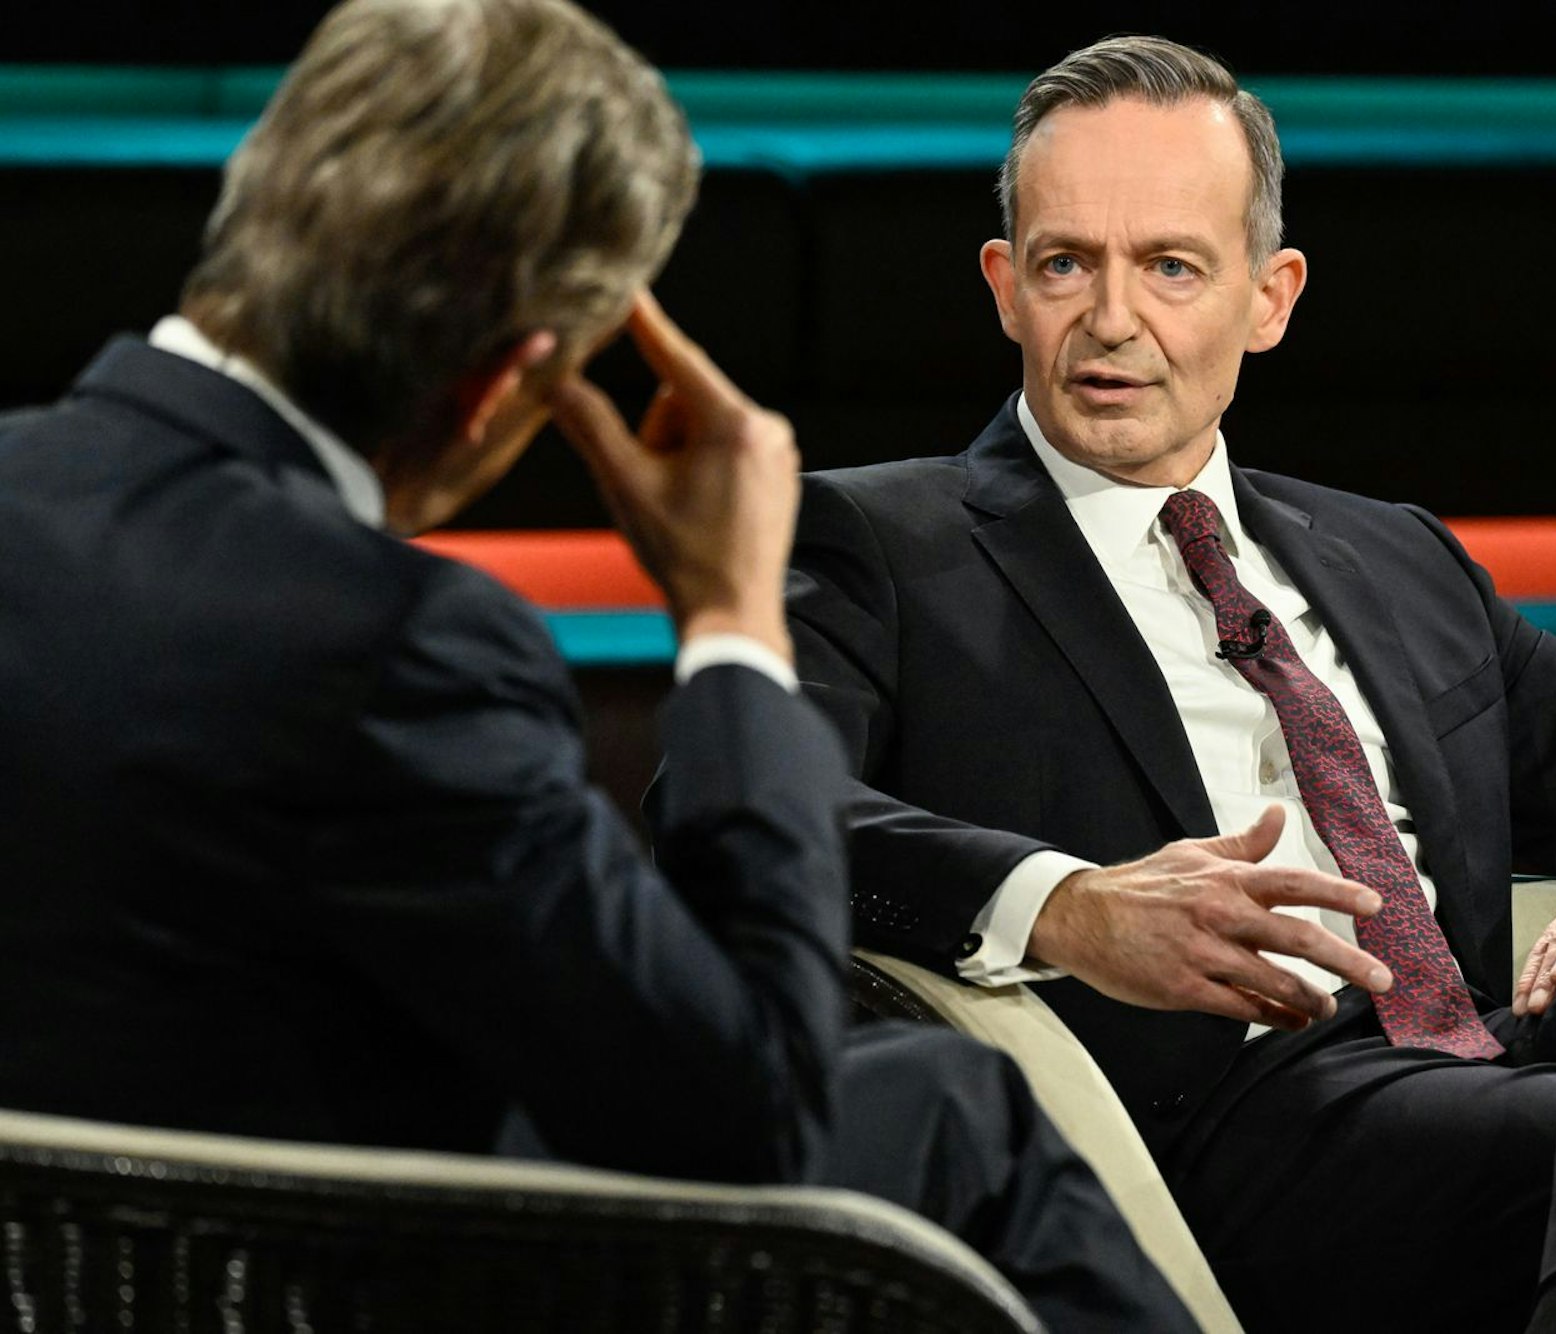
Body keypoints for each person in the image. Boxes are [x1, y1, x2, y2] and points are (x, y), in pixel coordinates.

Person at [0, 3, 1198, 1327]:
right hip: (325, 1270)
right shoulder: (399, 646)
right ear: (509, 383)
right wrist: (734, 620)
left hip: (76, 1244)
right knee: (959, 1112)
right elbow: (751, 1111)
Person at [787, 34, 1556, 1334]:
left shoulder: (1396, 556)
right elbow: (745, 807)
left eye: (1168, 267)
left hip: (1490, 1055)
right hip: (1240, 1111)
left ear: (1269, 297)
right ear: (1003, 286)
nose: (1111, 320)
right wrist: (1074, 907)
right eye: (1064, 265)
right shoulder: (881, 542)